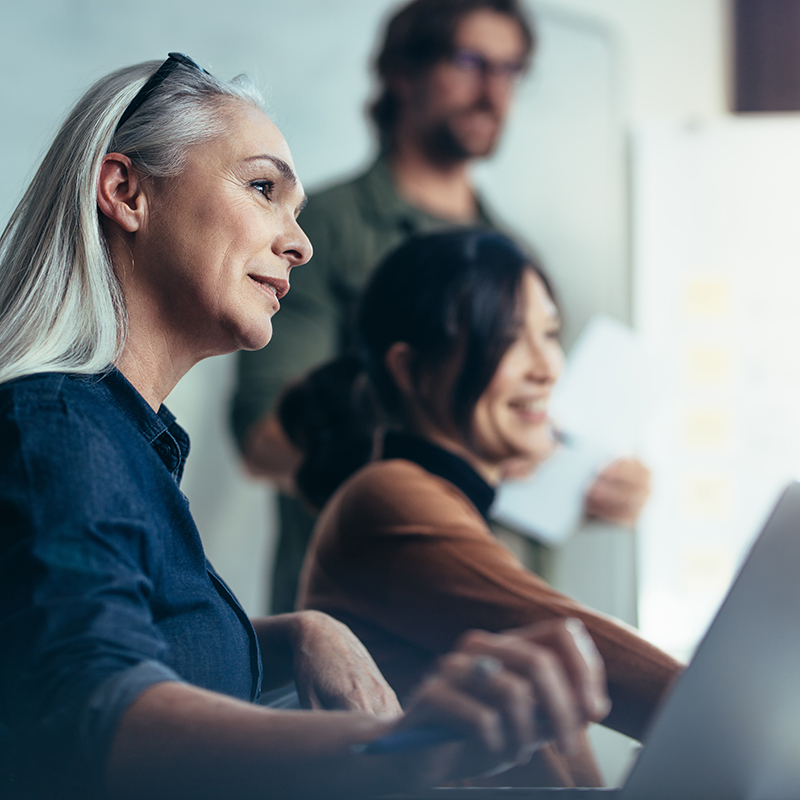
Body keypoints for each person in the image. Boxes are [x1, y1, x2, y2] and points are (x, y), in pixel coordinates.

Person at [0, 55, 611, 799]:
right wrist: (403, 749)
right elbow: (93, 713)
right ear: (125, 190)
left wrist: (295, 635)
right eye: (263, 189)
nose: (300, 243)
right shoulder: (57, 429)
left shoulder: (126, 444)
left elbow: (147, 651)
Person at [231, 0, 651, 614]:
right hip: (367, 623)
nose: (493, 90)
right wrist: (460, 435)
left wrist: (588, 479)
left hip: (506, 609)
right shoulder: (320, 229)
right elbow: (264, 438)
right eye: (470, 62)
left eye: (511, 69)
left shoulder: (513, 253)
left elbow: (523, 435)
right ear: (403, 72)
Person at [286, 229, 683, 784]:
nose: (547, 368)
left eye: (550, 334)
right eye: (508, 338)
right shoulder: (389, 497)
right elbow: (589, 653)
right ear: (410, 369)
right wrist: (732, 714)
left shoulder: (446, 506)